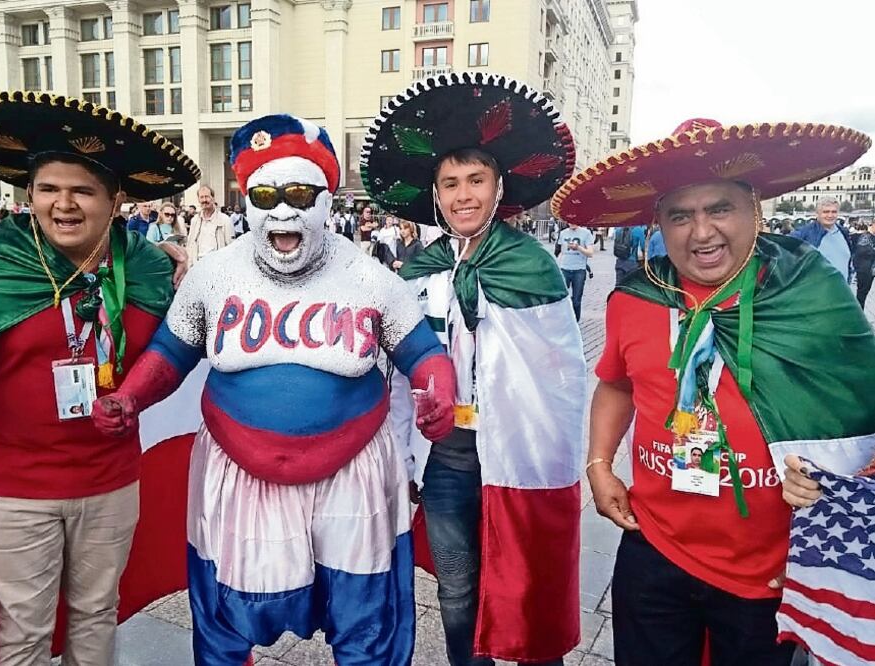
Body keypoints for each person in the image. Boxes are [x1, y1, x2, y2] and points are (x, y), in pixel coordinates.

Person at [91, 113, 455, 665]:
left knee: (365, 621)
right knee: (224, 624)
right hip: (239, 479)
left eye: (300, 192)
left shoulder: (369, 276)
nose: (283, 209)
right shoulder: (213, 275)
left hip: (352, 477)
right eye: (265, 194)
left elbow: (422, 352)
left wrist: (438, 390)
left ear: (327, 200)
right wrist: (130, 397)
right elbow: (171, 352)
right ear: (246, 201)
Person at [551, 117, 874, 666]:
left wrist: (845, 480)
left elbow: (861, 411)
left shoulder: (808, 294)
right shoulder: (636, 297)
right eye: (681, 215)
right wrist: (600, 463)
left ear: (754, 209)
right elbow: (615, 384)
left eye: (719, 208)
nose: (701, 233)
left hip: (768, 566)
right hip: (653, 545)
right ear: (658, 224)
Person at [0, 90, 198, 666]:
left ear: (116, 199)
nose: (63, 205)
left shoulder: (145, 265)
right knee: (23, 631)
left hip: (112, 479)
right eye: (48, 189)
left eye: (82, 191)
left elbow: (177, 350)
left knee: (97, 616)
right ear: (29, 195)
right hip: (15, 488)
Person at [363, 72, 585, 666]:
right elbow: (396, 366)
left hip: (519, 453)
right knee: (457, 591)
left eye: (476, 180)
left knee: (528, 579)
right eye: (451, 183)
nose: (464, 195)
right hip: (448, 460)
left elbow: (561, 377)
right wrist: (403, 445)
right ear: (435, 195)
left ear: (498, 187)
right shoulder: (416, 269)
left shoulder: (530, 265)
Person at [790, 196, 852, 280]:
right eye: (826, 212)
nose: (830, 215)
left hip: (843, 290)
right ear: (817, 213)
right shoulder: (805, 233)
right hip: (816, 290)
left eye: (834, 212)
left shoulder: (844, 233)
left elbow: (848, 262)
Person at [555, 221, 594, 321]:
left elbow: (590, 253)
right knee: (561, 297)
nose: (571, 223)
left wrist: (578, 247)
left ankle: (575, 321)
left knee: (576, 299)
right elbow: (558, 251)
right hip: (565, 268)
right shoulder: (563, 233)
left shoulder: (586, 233)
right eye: (569, 220)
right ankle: (563, 320)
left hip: (579, 270)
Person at [186, 184, 233, 261]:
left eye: (207, 196)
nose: (204, 200)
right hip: (198, 265)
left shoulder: (225, 220)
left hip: (217, 265)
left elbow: (231, 246)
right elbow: (190, 245)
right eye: (201, 197)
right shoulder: (195, 220)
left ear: (213, 198)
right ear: (198, 200)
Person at [851, 219, 875, 307]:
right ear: (873, 225)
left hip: (870, 270)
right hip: (864, 269)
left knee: (864, 293)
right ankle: (859, 312)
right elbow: (861, 250)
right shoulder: (865, 236)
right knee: (861, 294)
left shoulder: (872, 237)